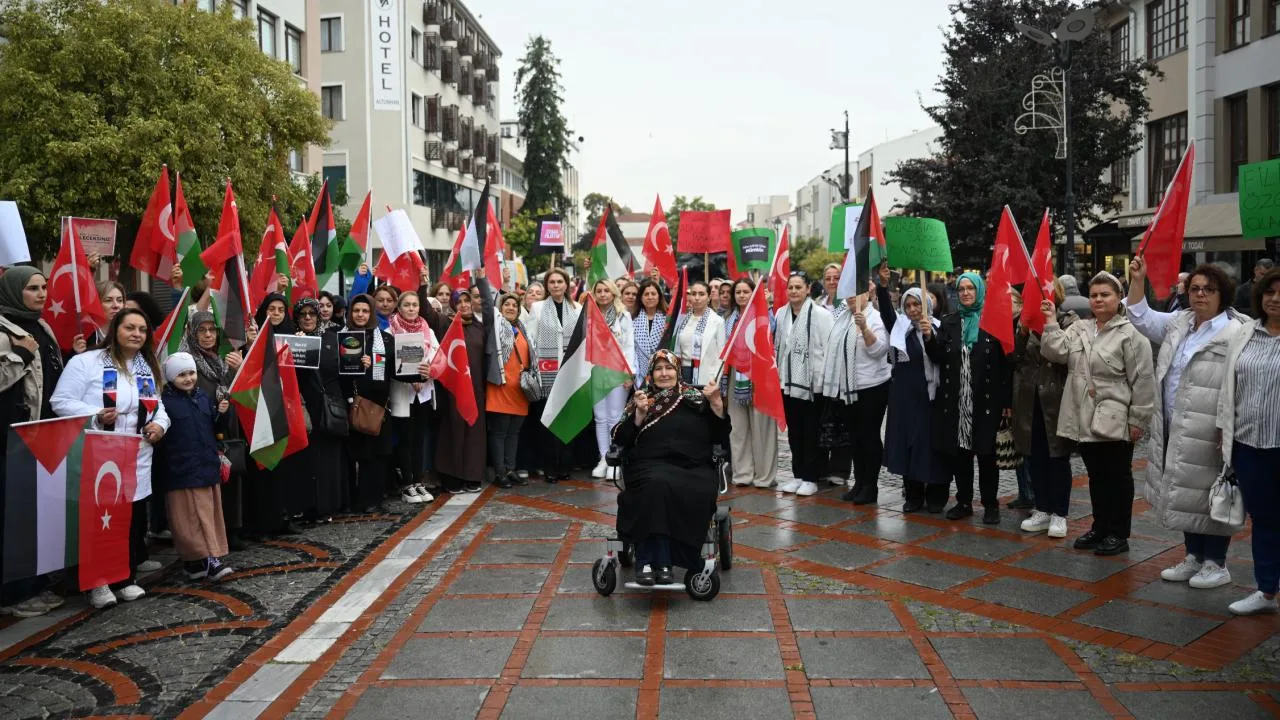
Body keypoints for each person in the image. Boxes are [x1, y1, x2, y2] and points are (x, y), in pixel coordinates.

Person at [1122, 259, 1250, 588]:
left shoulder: (1237, 332)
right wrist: (1138, 280)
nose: (1200, 295)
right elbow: (1141, 316)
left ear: (1224, 294)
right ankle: (1193, 556)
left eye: (1209, 289)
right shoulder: (1180, 323)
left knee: (1212, 494)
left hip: (1212, 428)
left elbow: (1244, 383)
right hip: (1175, 424)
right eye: (1194, 288)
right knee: (1183, 490)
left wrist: (1231, 426)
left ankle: (1216, 563)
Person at [52, 308, 170, 609]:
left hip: (137, 455)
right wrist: (95, 414)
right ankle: (97, 583)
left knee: (130, 521)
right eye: (129, 327)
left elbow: (158, 408)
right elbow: (60, 402)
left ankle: (124, 578)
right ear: (115, 330)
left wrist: (160, 425)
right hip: (99, 454)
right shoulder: (86, 363)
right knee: (100, 522)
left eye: (142, 330)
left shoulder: (146, 366)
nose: (136, 334)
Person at [1040, 272, 1156, 556]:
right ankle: (1100, 526)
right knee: (1096, 476)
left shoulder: (1132, 335)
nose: (1099, 299)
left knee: (1117, 477)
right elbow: (1056, 352)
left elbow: (1143, 381)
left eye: (1105, 294)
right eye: (1094, 295)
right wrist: (1051, 321)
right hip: (1084, 415)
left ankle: (1118, 532)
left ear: (1119, 298)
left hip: (1115, 418)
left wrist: (1137, 420)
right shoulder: (1080, 328)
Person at [612, 350, 728, 586]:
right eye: (658, 369)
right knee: (657, 485)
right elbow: (620, 438)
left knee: (683, 487)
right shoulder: (641, 399)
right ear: (651, 374)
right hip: (648, 466)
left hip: (694, 466)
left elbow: (720, 435)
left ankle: (665, 560)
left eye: (669, 368)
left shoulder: (696, 398)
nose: (664, 373)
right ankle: (651, 561)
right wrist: (639, 415)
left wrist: (716, 403)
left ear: (678, 371)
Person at [0, 267, 68, 617]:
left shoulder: (41, 325)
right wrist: (22, 354)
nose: (41, 294)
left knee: (36, 512)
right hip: (13, 435)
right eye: (32, 288)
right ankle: (14, 594)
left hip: (43, 432)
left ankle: (36, 582)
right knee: (15, 513)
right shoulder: (3, 330)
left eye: (43, 287)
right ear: (14, 292)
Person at [924, 272, 1013, 524]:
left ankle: (990, 504)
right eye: (961, 289)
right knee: (960, 455)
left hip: (985, 401)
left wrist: (1006, 402)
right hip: (956, 401)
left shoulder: (992, 321)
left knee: (986, 456)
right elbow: (938, 356)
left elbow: (1005, 366)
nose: (965, 293)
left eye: (970, 289)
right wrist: (929, 338)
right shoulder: (950, 322)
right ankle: (963, 501)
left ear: (979, 291)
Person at [1219, 267, 1280, 615]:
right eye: (1269, 291)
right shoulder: (1245, 334)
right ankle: (1266, 589)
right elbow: (1229, 387)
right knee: (1265, 519)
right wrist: (1221, 429)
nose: (1275, 298)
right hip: (1250, 446)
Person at [155, 352, 234, 582]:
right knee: (186, 519)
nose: (188, 378)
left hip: (205, 466)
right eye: (182, 375)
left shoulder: (203, 398)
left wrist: (222, 413)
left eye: (191, 373)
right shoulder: (165, 403)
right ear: (171, 378)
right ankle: (197, 559)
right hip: (180, 469)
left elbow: (214, 428)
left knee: (206, 515)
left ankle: (209, 557)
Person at [1012, 280, 1076, 539]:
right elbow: (1013, 357)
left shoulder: (1069, 320)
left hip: (1056, 397)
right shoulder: (1023, 321)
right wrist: (1023, 330)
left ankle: (1059, 513)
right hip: (1029, 398)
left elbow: (1065, 355)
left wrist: (1050, 322)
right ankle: (1041, 508)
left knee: (1057, 457)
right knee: (1034, 455)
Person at [177, 311, 246, 550]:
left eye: (212, 330)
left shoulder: (218, 359)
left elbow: (229, 388)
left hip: (226, 426)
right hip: (203, 429)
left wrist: (237, 369)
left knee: (231, 477)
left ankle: (233, 528)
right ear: (192, 333)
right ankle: (214, 534)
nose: (208, 335)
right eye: (202, 330)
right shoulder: (187, 361)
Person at [878, 279, 946, 513]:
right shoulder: (900, 330)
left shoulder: (940, 328)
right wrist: (882, 286)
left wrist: (930, 337)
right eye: (908, 306)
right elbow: (887, 312)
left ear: (927, 305)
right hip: (906, 400)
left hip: (932, 399)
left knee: (931, 447)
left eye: (917, 304)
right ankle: (914, 494)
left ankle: (936, 495)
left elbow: (941, 358)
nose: (913, 310)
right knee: (910, 446)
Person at [821, 283, 890, 505]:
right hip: (847, 388)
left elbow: (880, 351)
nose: (850, 297)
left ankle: (871, 486)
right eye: (848, 294)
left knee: (869, 437)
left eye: (855, 293)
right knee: (855, 437)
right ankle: (859, 483)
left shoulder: (876, 318)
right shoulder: (842, 319)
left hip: (872, 387)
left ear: (866, 295)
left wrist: (866, 328)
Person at [423, 274, 492, 492]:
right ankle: (452, 477)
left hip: (476, 390)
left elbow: (490, 307)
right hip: (452, 390)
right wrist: (422, 283)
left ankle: (472, 475)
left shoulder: (481, 328)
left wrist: (482, 280)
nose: (464, 305)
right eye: (459, 301)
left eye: (467, 300)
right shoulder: (447, 324)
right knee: (452, 431)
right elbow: (426, 313)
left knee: (474, 433)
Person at [775, 273, 834, 496]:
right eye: (790, 287)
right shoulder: (781, 314)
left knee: (810, 432)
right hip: (787, 382)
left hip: (812, 384)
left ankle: (811, 477)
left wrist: (824, 383)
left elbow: (827, 349)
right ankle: (798, 474)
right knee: (794, 432)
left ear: (808, 289)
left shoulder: (820, 315)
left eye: (798, 287)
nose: (793, 291)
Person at [293, 298, 349, 519]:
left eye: (312, 314)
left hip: (330, 404)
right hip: (305, 406)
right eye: (303, 314)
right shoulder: (292, 340)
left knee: (330, 458)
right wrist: (296, 347)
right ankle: (310, 507)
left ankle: (331, 505)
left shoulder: (332, 338)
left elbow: (343, 370)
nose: (308, 318)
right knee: (309, 459)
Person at [523, 269, 580, 483]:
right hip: (545, 374)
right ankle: (550, 467)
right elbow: (530, 340)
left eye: (560, 281)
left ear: (567, 285)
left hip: (570, 374)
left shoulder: (577, 308)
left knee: (567, 421)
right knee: (547, 423)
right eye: (552, 282)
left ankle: (565, 465)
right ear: (547, 286)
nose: (556, 285)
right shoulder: (537, 308)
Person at [722, 278, 778, 488]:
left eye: (746, 291)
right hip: (735, 376)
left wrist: (767, 306)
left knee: (762, 427)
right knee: (738, 428)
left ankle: (764, 476)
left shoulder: (764, 315)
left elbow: (771, 330)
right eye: (738, 292)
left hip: (760, 374)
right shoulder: (729, 319)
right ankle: (743, 473)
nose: (742, 295)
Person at [343, 294, 397, 509]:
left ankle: (374, 499)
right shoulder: (341, 336)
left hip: (377, 406)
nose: (360, 315)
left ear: (372, 313)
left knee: (377, 455)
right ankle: (352, 500)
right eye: (356, 311)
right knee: (355, 455)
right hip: (351, 404)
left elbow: (393, 371)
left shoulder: (384, 339)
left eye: (365, 311)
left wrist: (420, 372)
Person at [388, 291, 437, 503]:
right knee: (405, 439)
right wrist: (410, 376)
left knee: (419, 438)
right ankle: (407, 484)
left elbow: (436, 356)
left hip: (423, 393)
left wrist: (427, 372)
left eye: (414, 305)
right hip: (401, 392)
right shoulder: (389, 331)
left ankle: (418, 481)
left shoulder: (428, 330)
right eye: (406, 305)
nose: (410, 308)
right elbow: (389, 361)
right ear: (399, 308)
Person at [585, 279, 635, 479]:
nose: (603, 294)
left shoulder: (624, 316)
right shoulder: (589, 316)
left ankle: (615, 459)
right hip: (596, 371)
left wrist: (629, 372)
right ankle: (603, 458)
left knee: (615, 417)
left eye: (607, 290)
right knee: (600, 417)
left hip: (617, 372)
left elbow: (629, 346)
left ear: (614, 293)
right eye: (599, 291)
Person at [484, 291, 530, 489]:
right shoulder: (495, 328)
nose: (511, 308)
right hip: (499, 388)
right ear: (500, 309)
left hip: (519, 391)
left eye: (514, 305)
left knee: (514, 433)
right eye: (507, 305)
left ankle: (511, 469)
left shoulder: (522, 329)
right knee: (499, 433)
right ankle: (500, 472)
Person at [674, 280, 725, 387]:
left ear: (709, 297)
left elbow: (721, 354)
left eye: (701, 294)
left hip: (705, 374)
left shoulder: (717, 321)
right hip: (682, 372)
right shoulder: (683, 320)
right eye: (694, 294)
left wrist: (715, 379)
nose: (697, 298)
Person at [631, 279, 668, 387]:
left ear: (659, 296)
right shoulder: (633, 319)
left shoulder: (667, 319)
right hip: (640, 371)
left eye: (653, 294)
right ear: (641, 298)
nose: (650, 297)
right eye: (646, 294)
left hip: (664, 370)